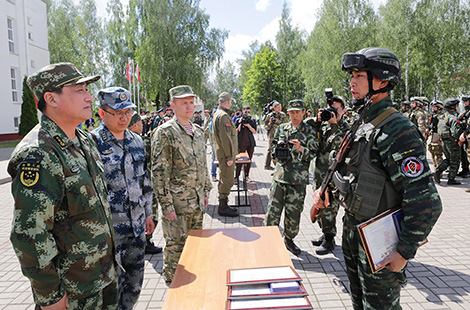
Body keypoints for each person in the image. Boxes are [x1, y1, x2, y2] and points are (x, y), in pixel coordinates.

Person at [312, 47, 442, 309]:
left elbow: (426, 203)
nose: (351, 82)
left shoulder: (397, 129)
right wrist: (326, 194)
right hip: (354, 234)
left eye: (359, 75)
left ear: (382, 80)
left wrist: (404, 252)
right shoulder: (363, 122)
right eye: (352, 75)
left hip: (379, 240)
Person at [9, 62, 118, 309]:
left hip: (102, 280)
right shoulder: (39, 154)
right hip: (72, 294)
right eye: (79, 90)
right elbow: (29, 234)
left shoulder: (83, 140)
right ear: (51, 99)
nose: (89, 97)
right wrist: (50, 296)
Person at [92, 87, 154, 310]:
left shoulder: (136, 140)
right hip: (110, 234)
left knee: (134, 287)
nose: (124, 117)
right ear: (102, 114)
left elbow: (145, 181)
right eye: (118, 112)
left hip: (136, 228)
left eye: (127, 111)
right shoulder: (92, 143)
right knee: (111, 291)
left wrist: (149, 214)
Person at [151, 85, 212, 286]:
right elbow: (160, 172)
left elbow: (202, 163)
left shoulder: (198, 131)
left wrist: (206, 190)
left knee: (197, 250)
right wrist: (166, 207)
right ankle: (175, 293)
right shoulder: (165, 132)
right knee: (176, 253)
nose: (189, 106)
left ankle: (194, 291)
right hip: (177, 207)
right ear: (173, 106)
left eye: (191, 102)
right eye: (183, 103)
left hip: (196, 204)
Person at [263, 99, 319, 256]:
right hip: (279, 178)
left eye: (297, 112)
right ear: (288, 113)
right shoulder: (282, 128)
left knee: (293, 214)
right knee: (272, 212)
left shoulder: (309, 130)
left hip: (297, 180)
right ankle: (268, 242)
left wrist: (300, 148)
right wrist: (277, 152)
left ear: (303, 112)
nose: (295, 115)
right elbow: (273, 148)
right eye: (292, 112)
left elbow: (314, 153)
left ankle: (289, 240)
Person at [307, 95, 350, 255]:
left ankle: (330, 239)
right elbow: (308, 128)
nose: (332, 113)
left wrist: (334, 125)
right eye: (330, 110)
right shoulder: (323, 125)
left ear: (343, 111)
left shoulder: (346, 128)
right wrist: (318, 121)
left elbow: (341, 145)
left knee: (330, 208)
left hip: (333, 176)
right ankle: (325, 233)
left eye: (336, 110)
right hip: (319, 172)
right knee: (318, 205)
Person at [128, 111, 163, 255]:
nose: (142, 125)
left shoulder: (126, 140)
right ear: (135, 124)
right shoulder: (141, 141)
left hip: (136, 187)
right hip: (145, 186)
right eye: (141, 123)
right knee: (151, 214)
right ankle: (146, 242)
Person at [213, 92, 239, 217]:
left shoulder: (219, 114)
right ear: (228, 102)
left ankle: (224, 204)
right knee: (227, 180)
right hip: (225, 155)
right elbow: (225, 138)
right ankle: (222, 207)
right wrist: (229, 157)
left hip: (224, 153)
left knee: (224, 178)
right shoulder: (223, 116)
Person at [434, 98, 463, 185]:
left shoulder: (443, 116)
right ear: (454, 106)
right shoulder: (453, 117)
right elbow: (455, 132)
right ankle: (451, 179)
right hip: (452, 142)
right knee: (455, 160)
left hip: (444, 141)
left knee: (448, 159)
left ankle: (438, 170)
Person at [234, 105, 257, 181]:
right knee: (239, 161)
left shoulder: (252, 120)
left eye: (248, 112)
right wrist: (240, 123)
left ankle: (247, 176)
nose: (246, 113)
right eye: (245, 111)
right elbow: (235, 132)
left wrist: (248, 125)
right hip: (241, 143)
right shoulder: (238, 120)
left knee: (249, 160)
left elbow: (254, 131)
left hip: (250, 143)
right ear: (242, 111)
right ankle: (237, 177)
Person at [264, 101, 288, 170]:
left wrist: (279, 122)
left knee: (280, 150)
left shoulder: (283, 115)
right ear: (274, 108)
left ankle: (279, 167)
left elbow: (287, 124)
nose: (280, 108)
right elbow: (266, 127)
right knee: (272, 151)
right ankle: (276, 168)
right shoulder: (269, 116)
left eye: (280, 107)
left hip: (281, 135)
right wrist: (270, 123)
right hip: (272, 136)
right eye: (278, 107)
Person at [425, 100, 444, 169]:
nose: (432, 108)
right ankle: (436, 168)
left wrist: (441, 139)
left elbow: (443, 129)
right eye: (432, 106)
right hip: (432, 136)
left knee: (438, 155)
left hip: (437, 136)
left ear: (439, 107)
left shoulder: (441, 117)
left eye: (434, 107)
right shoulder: (433, 116)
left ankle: (439, 171)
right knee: (432, 152)